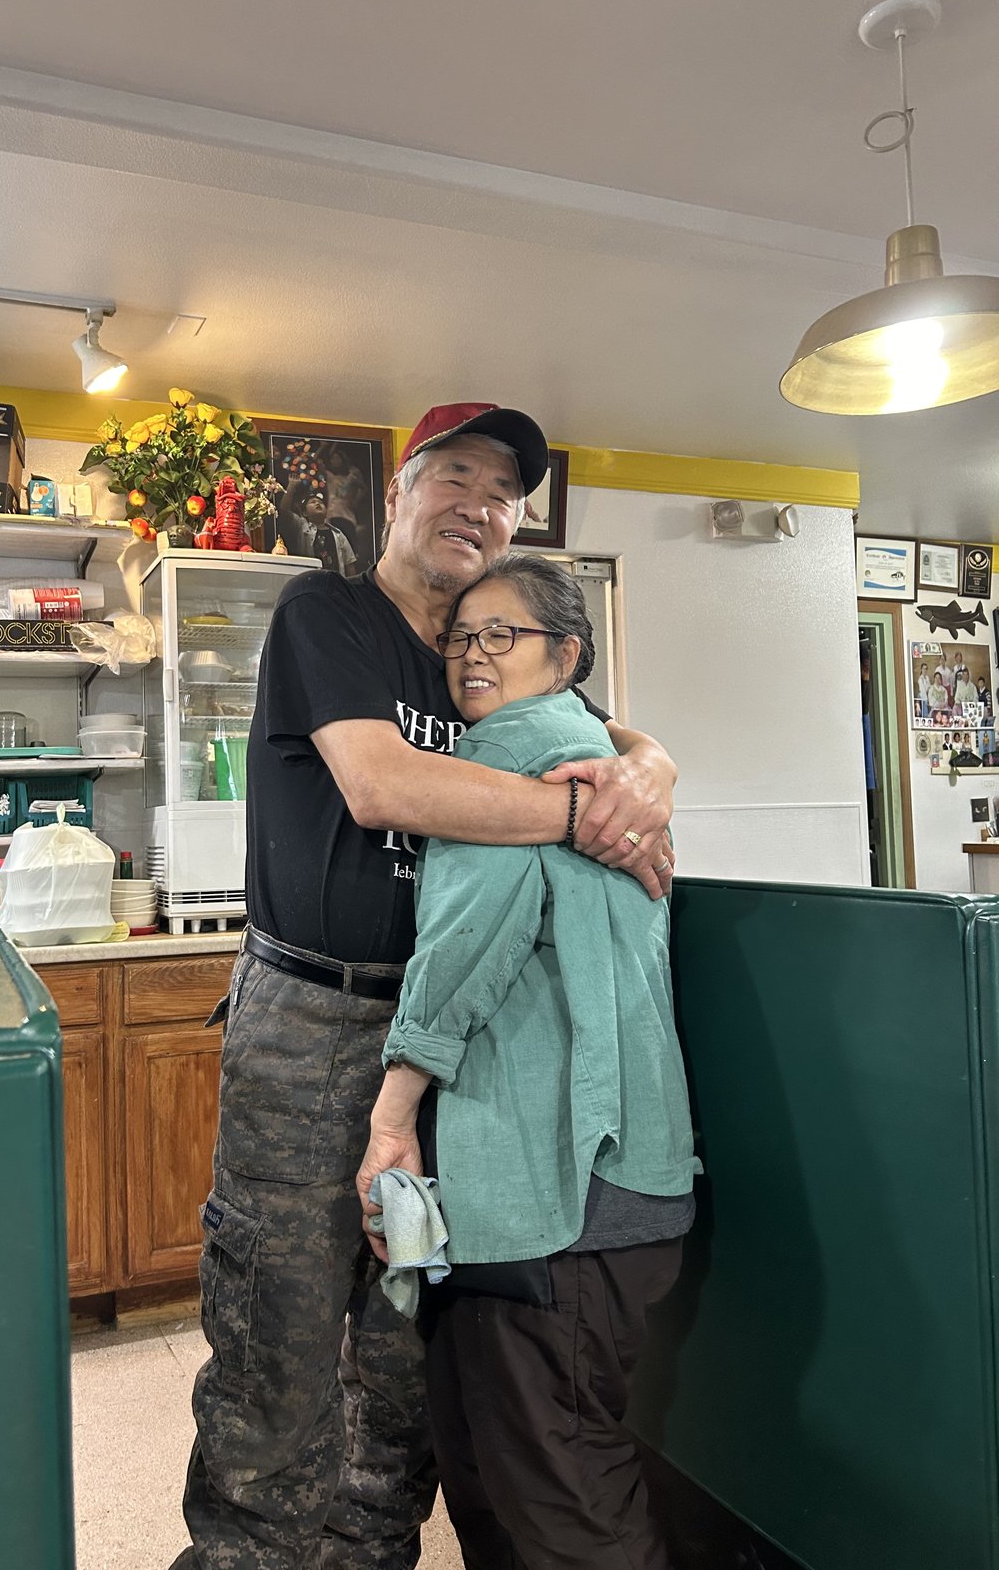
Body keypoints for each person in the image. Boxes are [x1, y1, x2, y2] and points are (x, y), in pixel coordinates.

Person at [168, 401, 678, 1570]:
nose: (480, 508)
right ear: (399, 490)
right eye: (456, 476)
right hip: (310, 1022)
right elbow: (383, 786)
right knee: (276, 1340)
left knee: (400, 1346)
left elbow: (621, 736)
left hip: (446, 1043)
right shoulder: (327, 612)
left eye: (502, 498)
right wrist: (581, 814)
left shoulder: (482, 658)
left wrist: (648, 769)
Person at [357, 554, 698, 1570]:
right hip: (623, 1192)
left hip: (553, 1192)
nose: (472, 654)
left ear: (568, 655)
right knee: (518, 1473)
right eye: (461, 637)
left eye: (500, 634)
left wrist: (390, 1114)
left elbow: (463, 952)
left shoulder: (508, 760)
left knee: (560, 1502)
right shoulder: (610, 768)